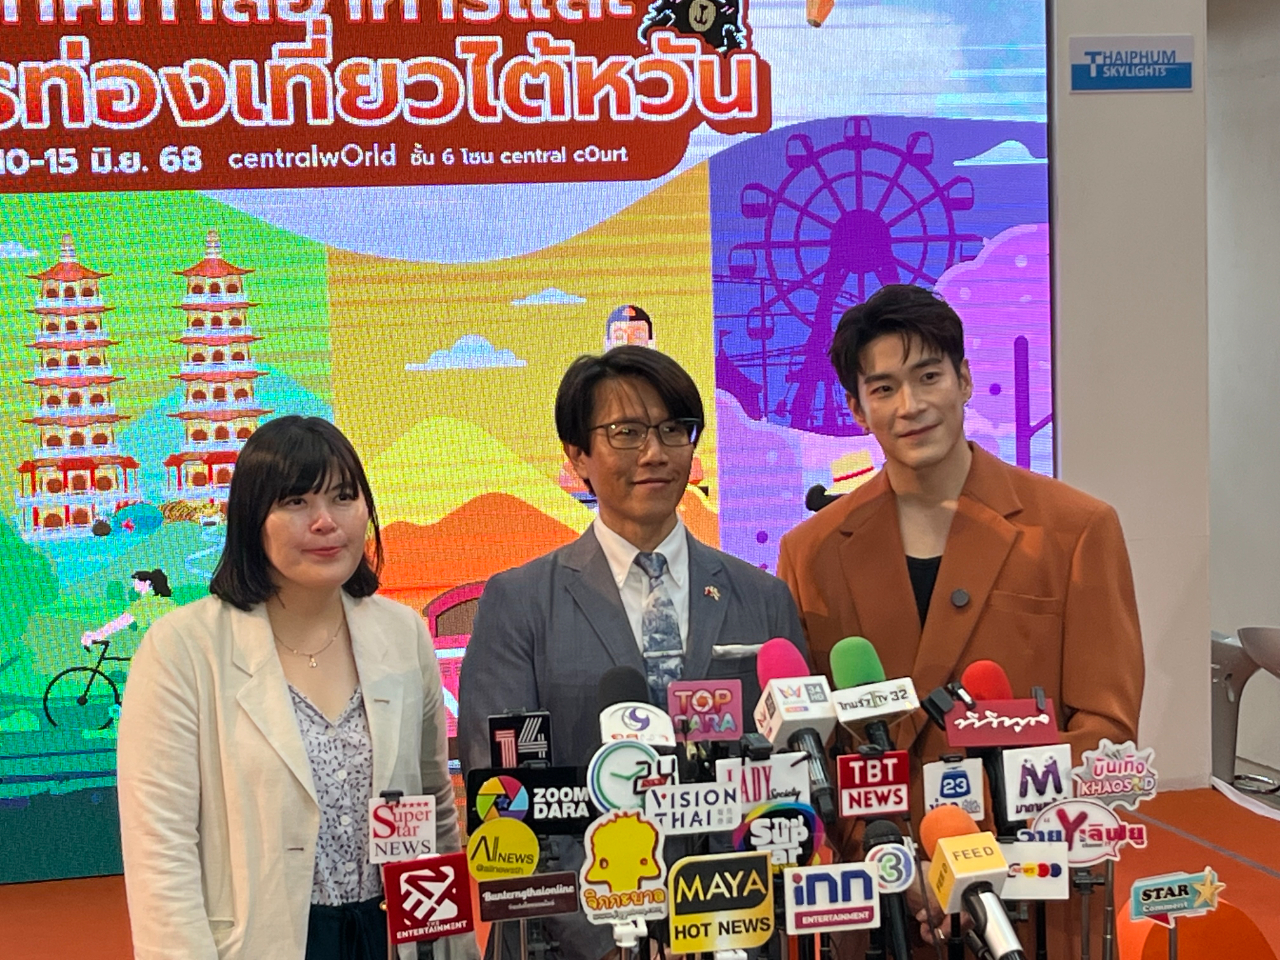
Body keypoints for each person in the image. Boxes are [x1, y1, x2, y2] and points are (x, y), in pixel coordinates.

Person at [776, 284, 1144, 957]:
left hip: (1029, 889)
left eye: (929, 376)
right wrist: (895, 859)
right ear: (856, 409)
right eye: (883, 388)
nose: (911, 406)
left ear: (965, 380)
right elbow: (814, 747)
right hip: (883, 894)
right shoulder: (812, 552)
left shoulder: (1077, 529)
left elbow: (1106, 730)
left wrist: (973, 849)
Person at [458, 345, 809, 960]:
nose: (654, 453)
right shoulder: (519, 602)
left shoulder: (762, 598)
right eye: (626, 433)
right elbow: (505, 796)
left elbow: (788, 782)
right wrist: (607, 934)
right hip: (572, 941)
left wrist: (719, 925)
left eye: (673, 430)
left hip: (735, 928)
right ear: (577, 456)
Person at [117, 416, 469, 960]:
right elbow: (160, 846)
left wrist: (452, 947)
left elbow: (431, 806)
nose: (326, 521)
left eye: (343, 497)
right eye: (296, 502)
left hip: (388, 935)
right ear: (252, 519)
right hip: (261, 940)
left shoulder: (402, 634)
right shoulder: (183, 649)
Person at [80, 568, 176, 662]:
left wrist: (95, 635)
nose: (134, 584)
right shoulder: (167, 601)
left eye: (137, 581)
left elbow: (121, 622)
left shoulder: (147, 602)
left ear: (147, 583)